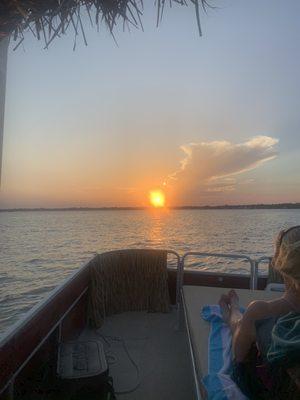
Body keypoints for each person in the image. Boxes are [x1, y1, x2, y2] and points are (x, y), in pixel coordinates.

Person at [218, 226, 300, 399]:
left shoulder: (262, 311)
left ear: (279, 263)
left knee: (243, 326)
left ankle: (232, 312)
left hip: (270, 392)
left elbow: (238, 357)